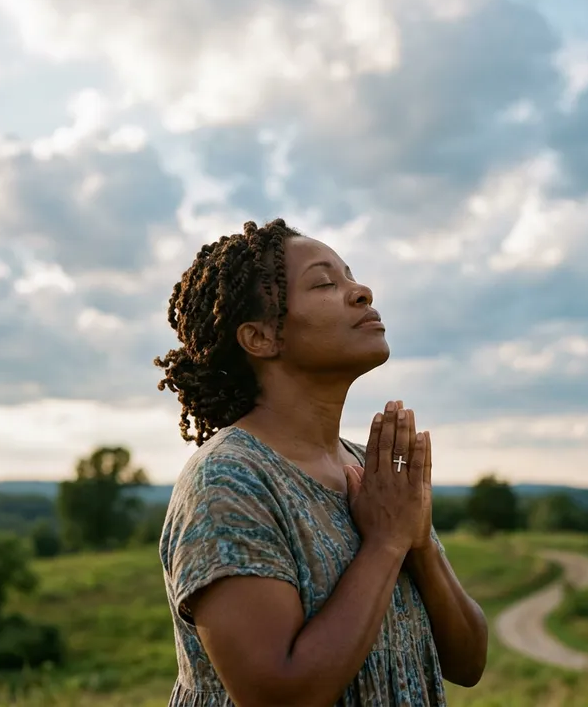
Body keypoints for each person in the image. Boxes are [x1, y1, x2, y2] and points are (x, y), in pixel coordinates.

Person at [154, 218, 488, 706]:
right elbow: (281, 694)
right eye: (325, 283)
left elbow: (468, 662)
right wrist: (387, 543)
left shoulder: (367, 470)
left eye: (351, 276)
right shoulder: (230, 479)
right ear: (262, 337)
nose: (362, 292)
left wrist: (419, 544)